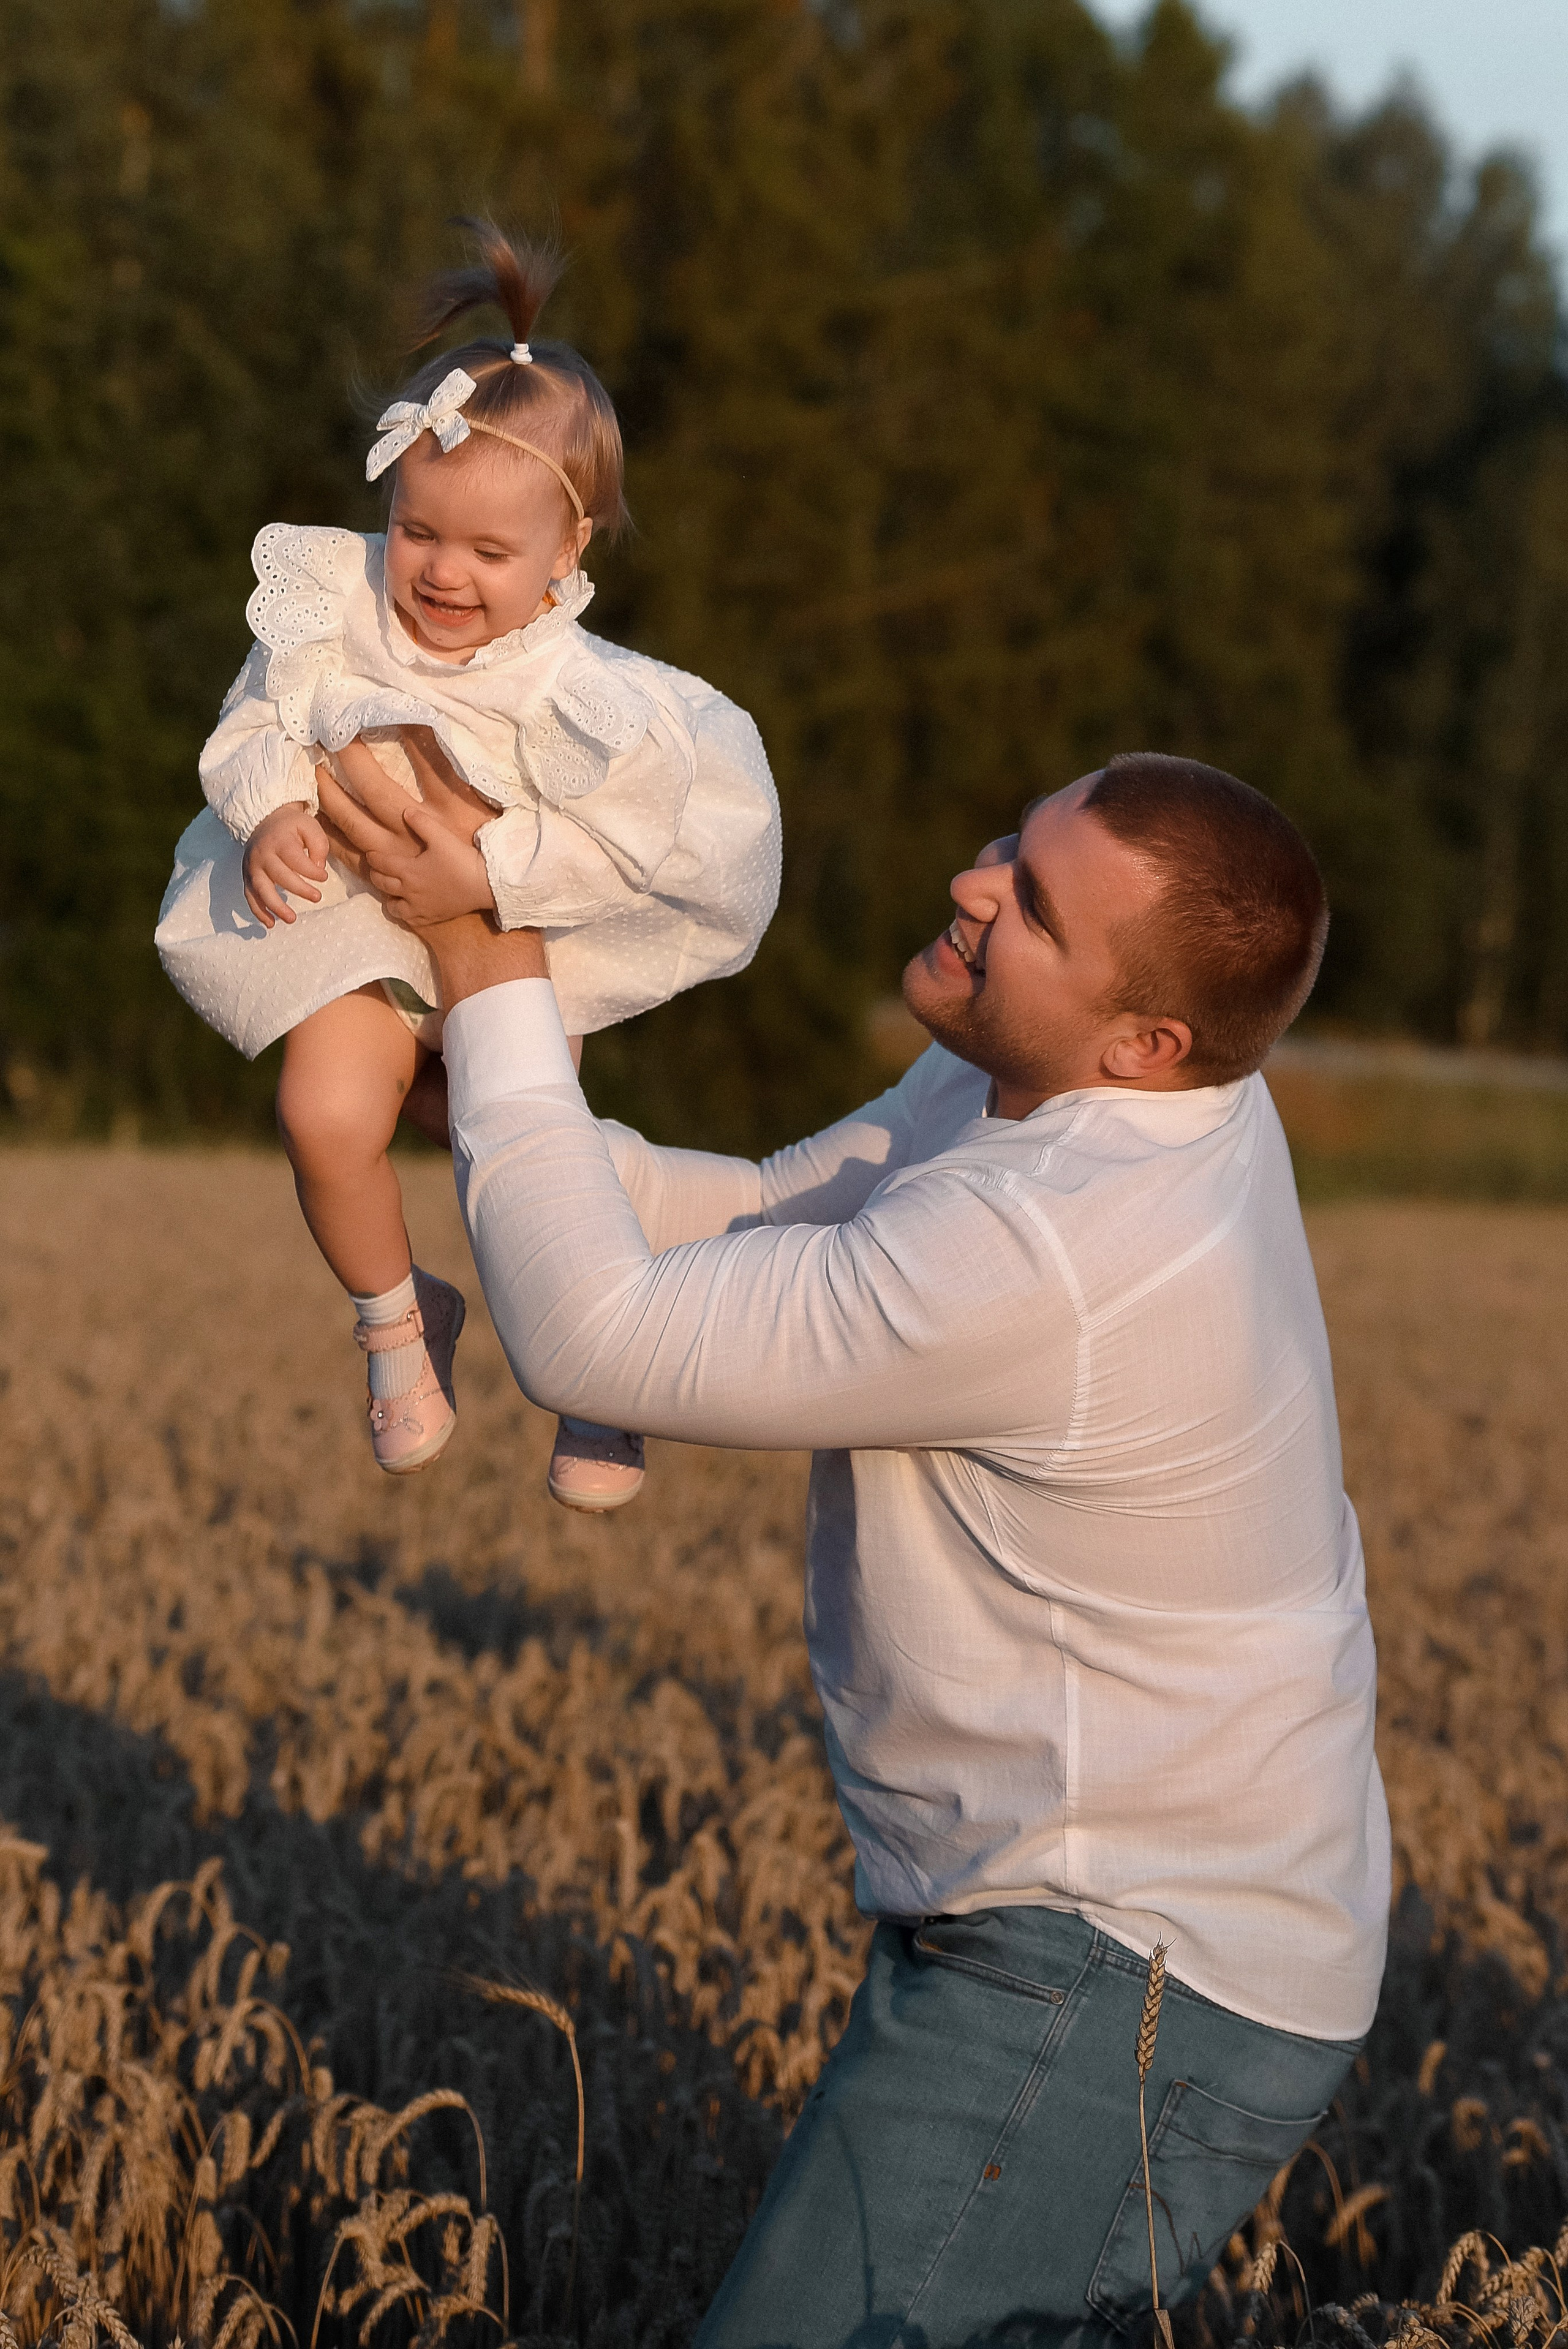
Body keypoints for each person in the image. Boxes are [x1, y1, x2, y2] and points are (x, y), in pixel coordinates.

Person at [317, 739, 1390, 2349]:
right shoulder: (1046, 1078)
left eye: (1029, 905)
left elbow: (593, 1338)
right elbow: (757, 1214)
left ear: (1145, 1037)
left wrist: (490, 958)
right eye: (1005, 842)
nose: (971, 887)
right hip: (1099, 1928)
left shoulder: (1052, 1245)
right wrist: (469, 1089)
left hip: (1131, 1972)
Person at [154, 222, 780, 1503]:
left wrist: (493, 875)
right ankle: (396, 1317)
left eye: (488, 554)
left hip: (510, 944)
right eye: (417, 530)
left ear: (568, 554)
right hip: (350, 926)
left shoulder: (589, 693)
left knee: (536, 1169)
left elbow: (625, 843)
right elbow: (253, 721)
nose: (439, 573)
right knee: (323, 1117)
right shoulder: (337, 606)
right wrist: (274, 806)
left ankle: (602, 1384)